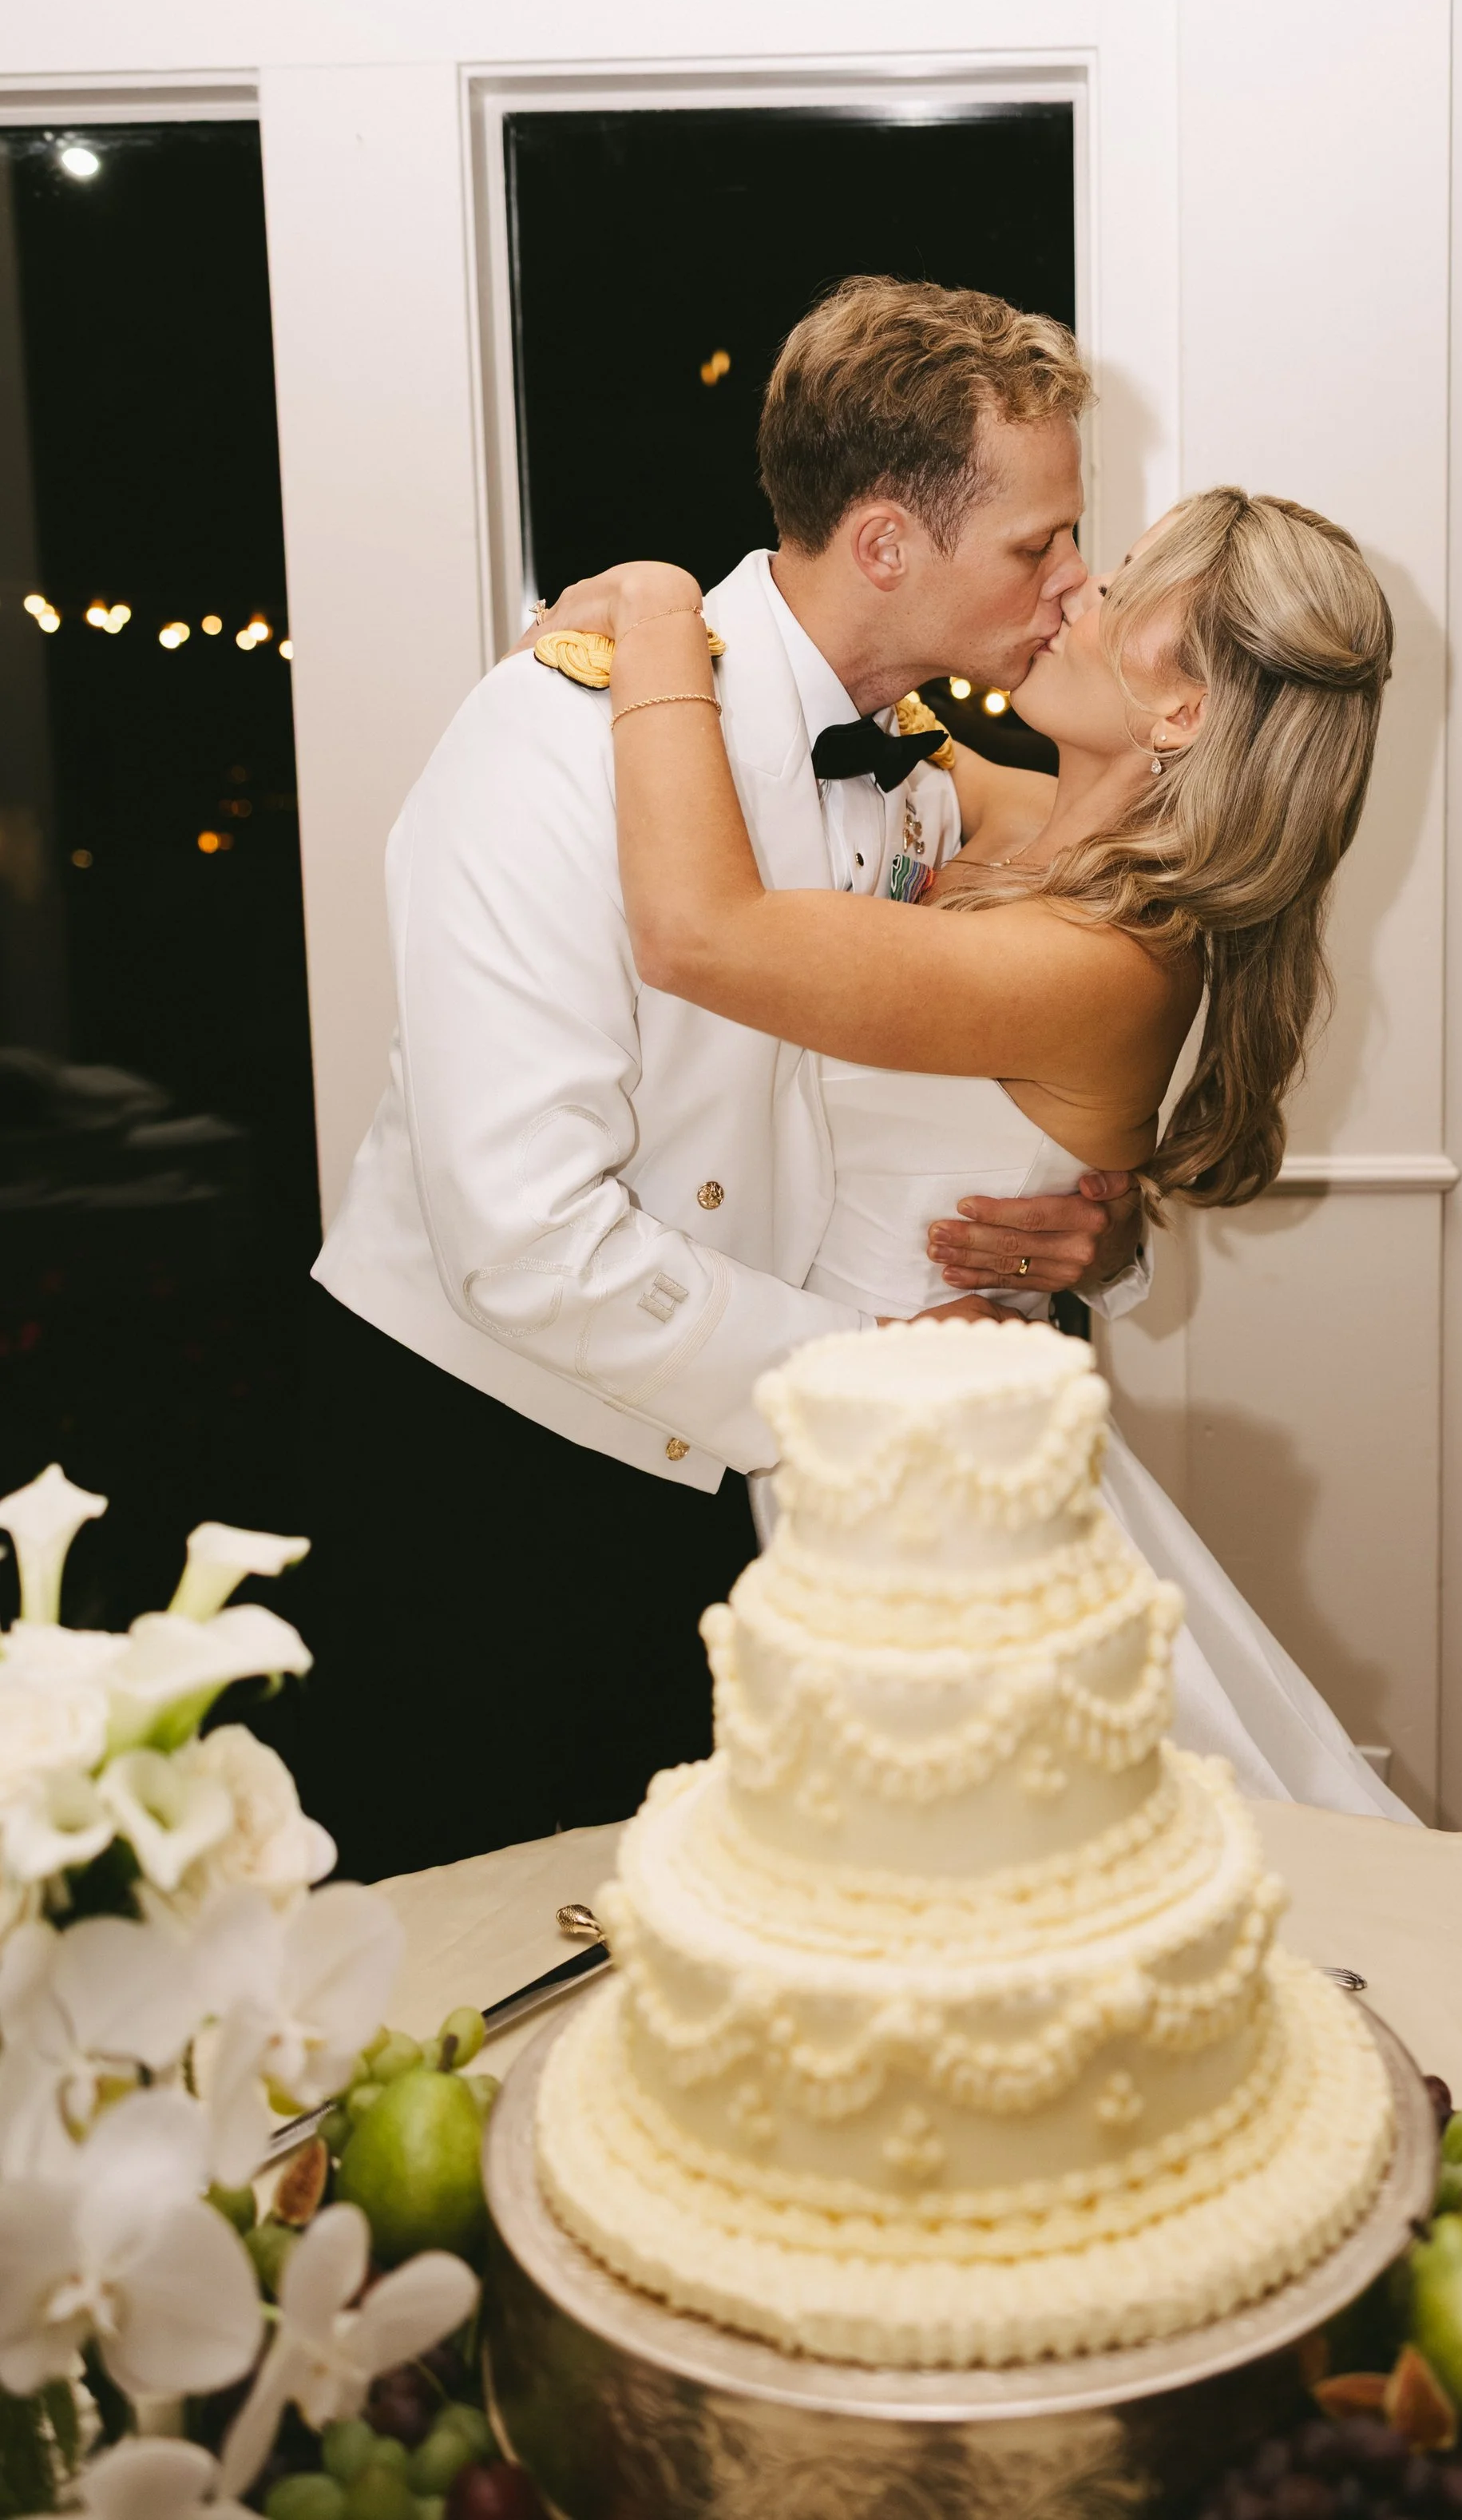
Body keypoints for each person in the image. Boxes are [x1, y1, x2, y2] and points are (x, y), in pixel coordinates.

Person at [288, 280, 1150, 1879]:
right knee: (487, 1969)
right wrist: (875, 1372)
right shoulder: (555, 739)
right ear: (887, 544)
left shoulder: (914, 771)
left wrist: (1094, 1227)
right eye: (1037, 543)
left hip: (741, 1452)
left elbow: (1034, 1033)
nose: (1071, 576)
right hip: (495, 1457)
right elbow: (522, 1242)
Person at [525, 458, 1414, 1824]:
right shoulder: (1014, 824)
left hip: (917, 1477)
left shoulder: (1106, 958)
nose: (1074, 586)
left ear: (1181, 705)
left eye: (1120, 584)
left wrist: (653, 614)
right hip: (798, 1407)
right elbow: (829, 708)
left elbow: (705, 932)